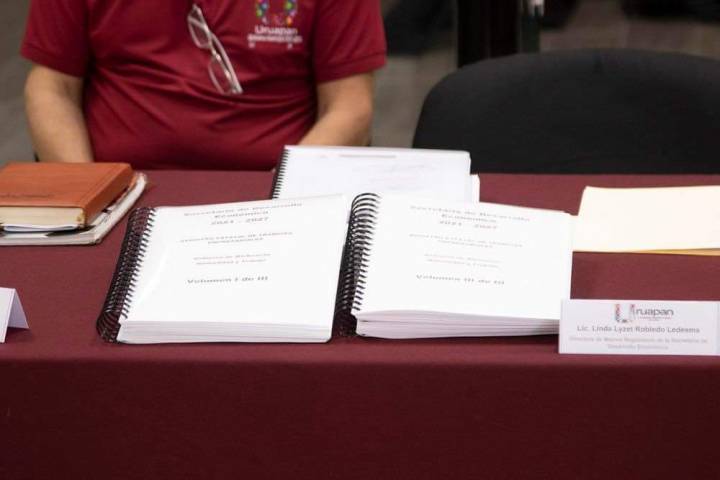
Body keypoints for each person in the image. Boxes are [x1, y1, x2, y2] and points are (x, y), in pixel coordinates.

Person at [21, 0, 386, 170]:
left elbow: (350, 106)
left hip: (270, 188)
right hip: (119, 190)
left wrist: (286, 198)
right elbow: (52, 87)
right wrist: (86, 191)